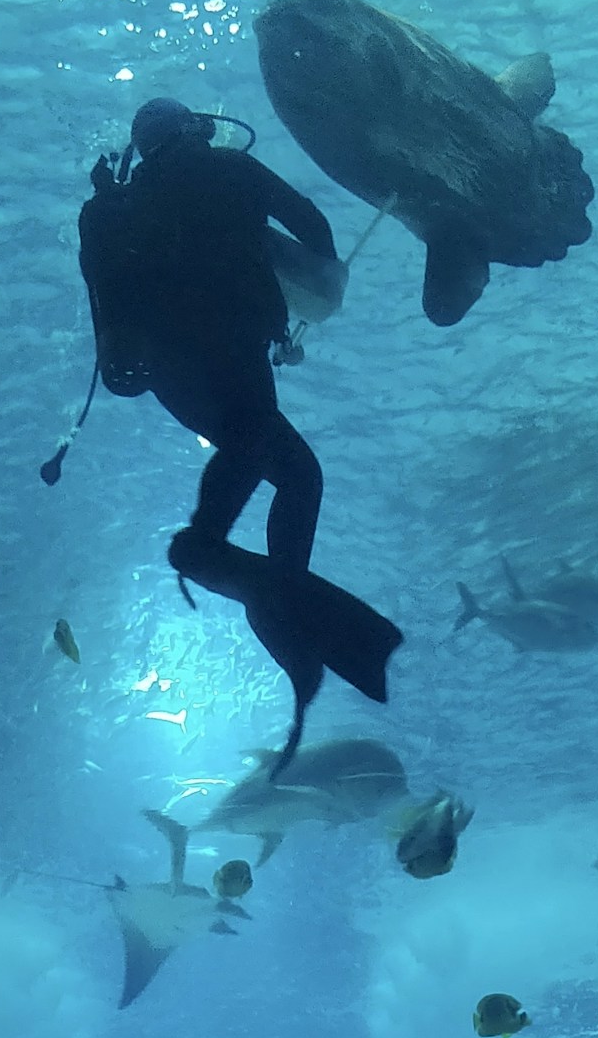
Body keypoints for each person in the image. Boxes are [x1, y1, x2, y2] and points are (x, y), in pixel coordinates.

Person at [77, 97, 400, 761]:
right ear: (197, 129)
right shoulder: (231, 169)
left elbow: (103, 298)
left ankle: (280, 603)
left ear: (141, 149)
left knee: (278, 461)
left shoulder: (110, 209)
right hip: (233, 348)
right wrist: (301, 281)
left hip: (170, 377)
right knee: (290, 470)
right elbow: (314, 227)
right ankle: (208, 554)